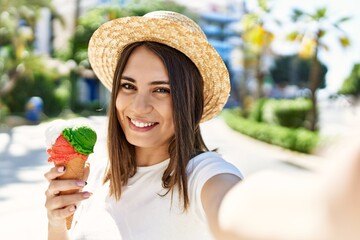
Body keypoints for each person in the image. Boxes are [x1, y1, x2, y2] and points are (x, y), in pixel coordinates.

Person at [44, 11, 360, 240]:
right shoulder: (98, 176)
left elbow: (236, 205)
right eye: (128, 86)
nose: (139, 106)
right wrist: (57, 223)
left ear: (189, 101)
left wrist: (321, 212)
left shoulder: (201, 176)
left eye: (161, 89)